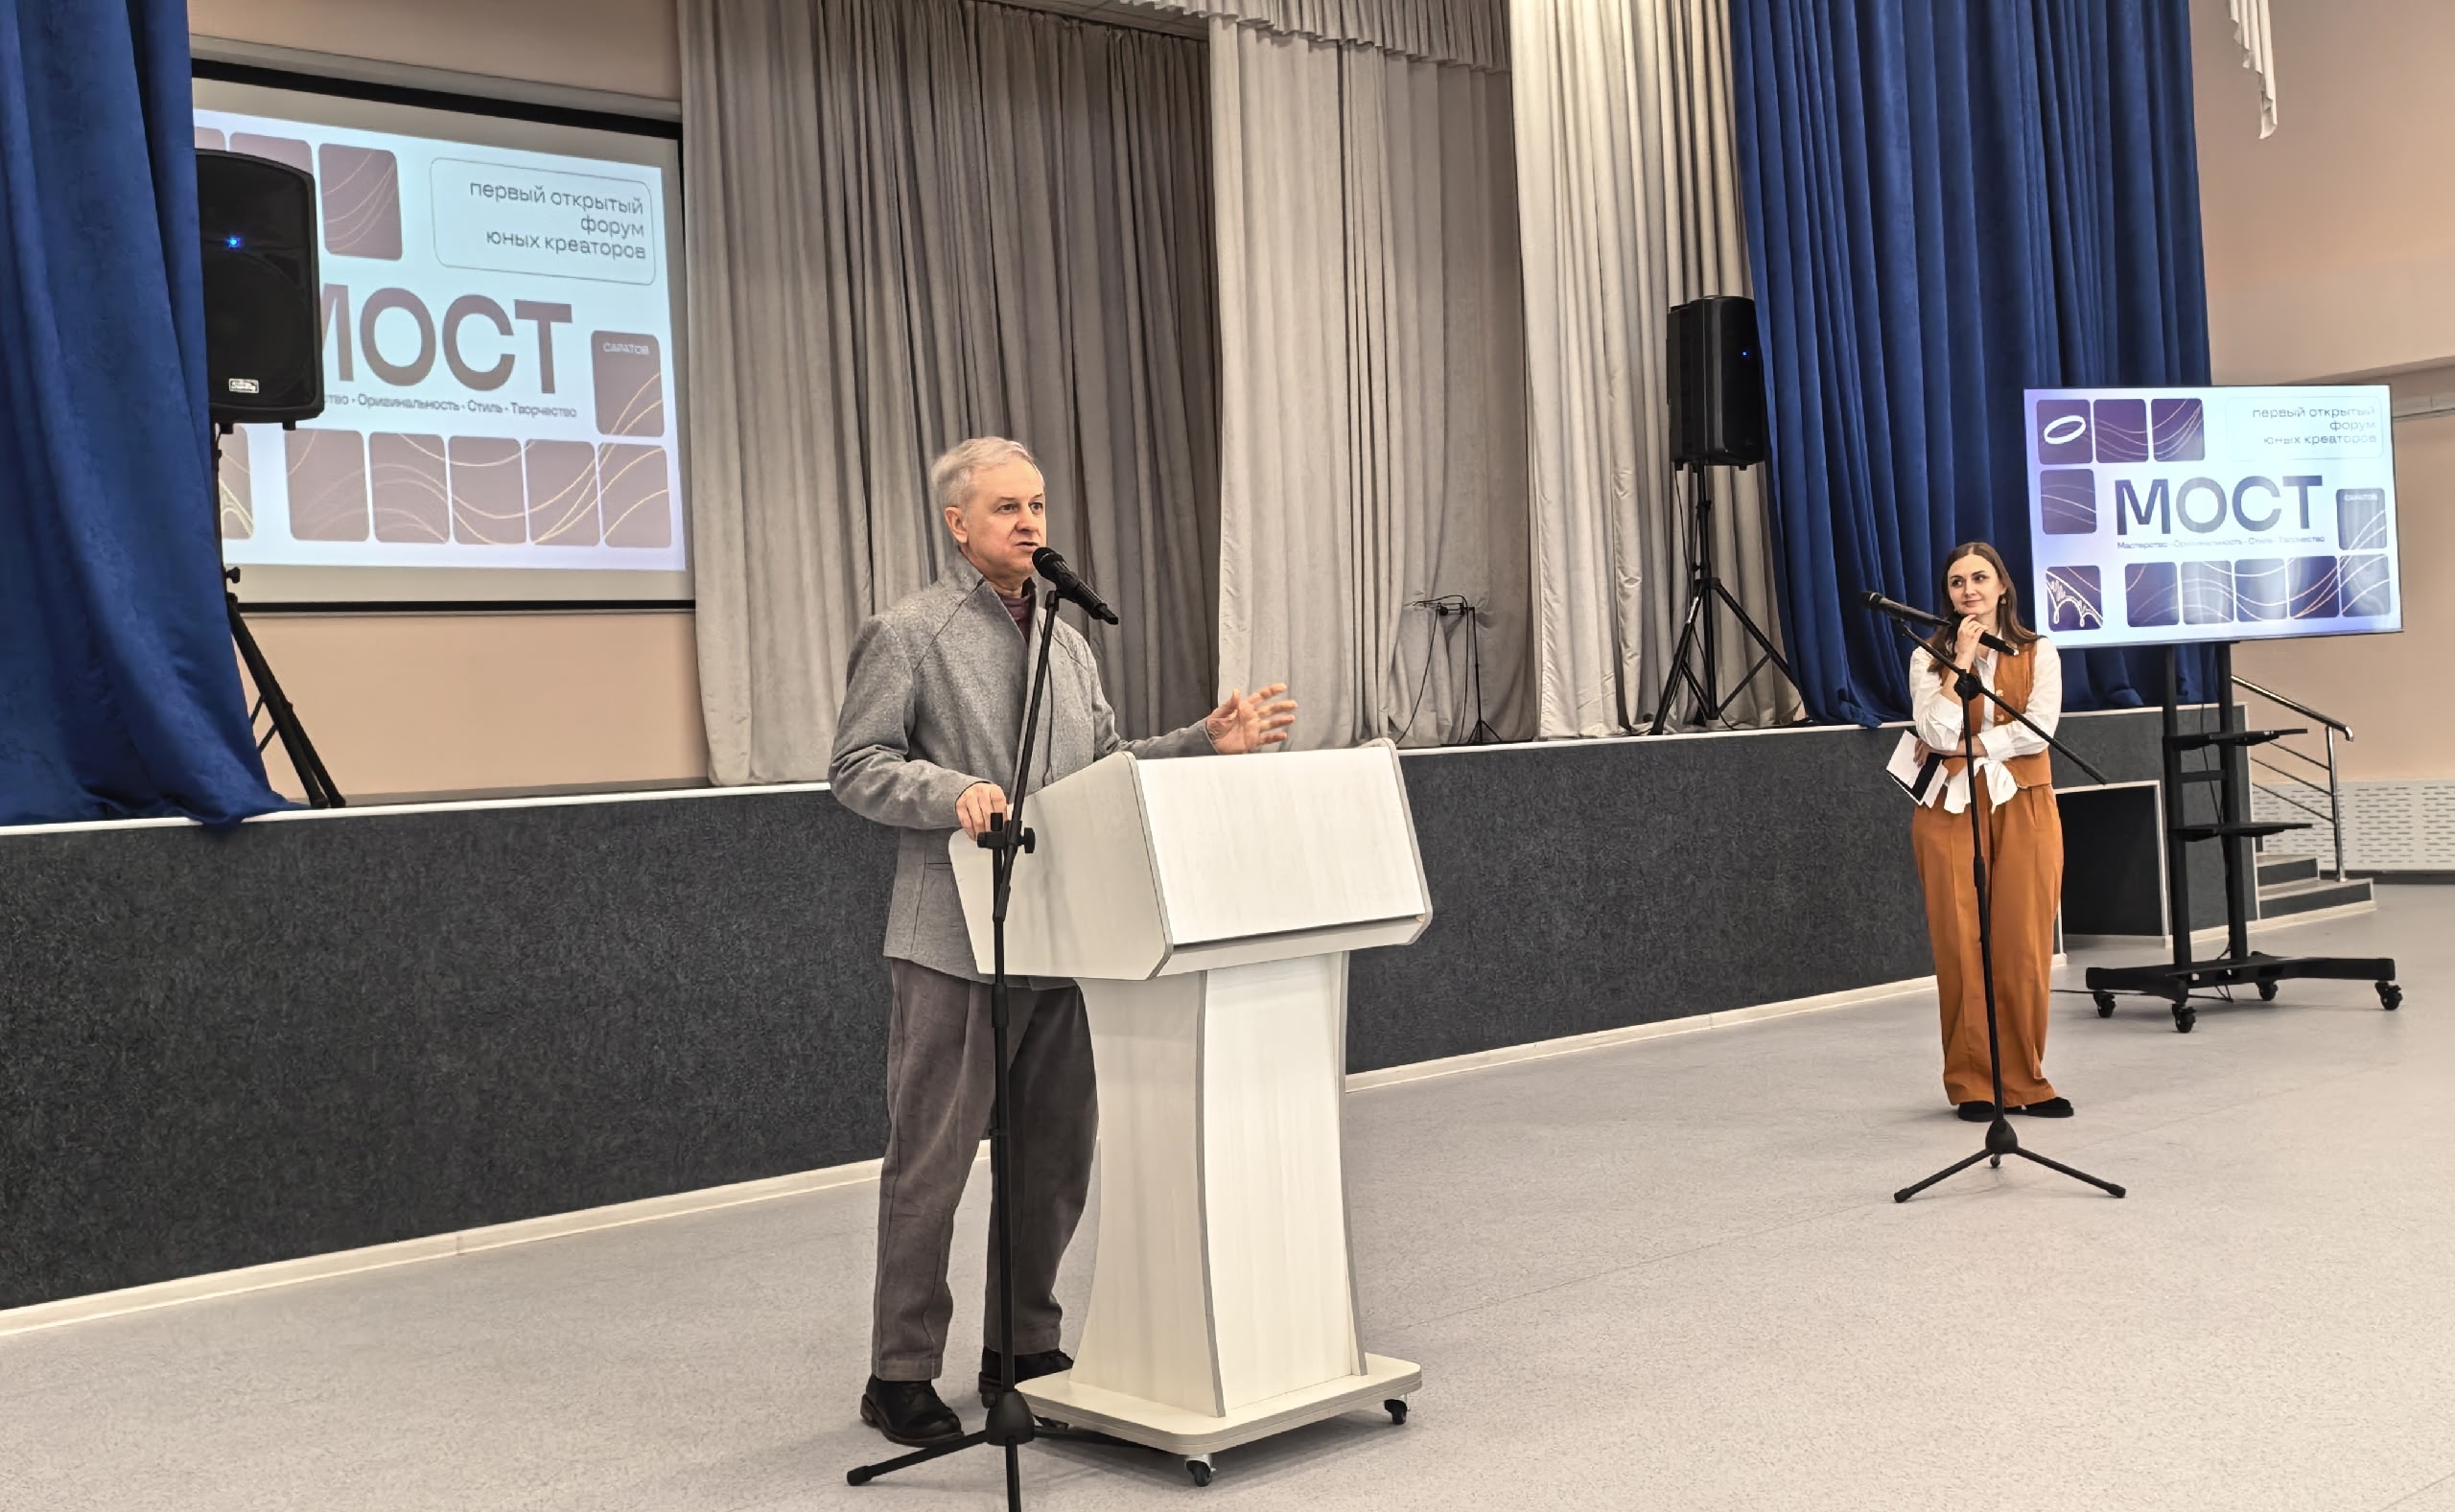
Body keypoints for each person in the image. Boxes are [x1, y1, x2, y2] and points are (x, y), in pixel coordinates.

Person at [828, 436, 1298, 1448]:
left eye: (1037, 504)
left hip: (1061, 935)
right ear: (958, 523)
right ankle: (899, 1372)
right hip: (953, 938)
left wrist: (1202, 742)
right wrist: (952, 790)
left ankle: (1021, 1344)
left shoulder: (1066, 640)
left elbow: (1104, 770)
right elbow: (856, 764)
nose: (1030, 522)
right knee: (931, 1164)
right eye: (1006, 507)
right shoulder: (907, 631)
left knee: (1052, 1157)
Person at [1906, 541, 2074, 1123]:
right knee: (1960, 943)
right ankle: (1973, 1082)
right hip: (1949, 807)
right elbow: (1933, 730)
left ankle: (2025, 1080)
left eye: (1980, 578)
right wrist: (1959, 661)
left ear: (2002, 585)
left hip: (2025, 801)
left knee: (2023, 944)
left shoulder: (2038, 651)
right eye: (1957, 582)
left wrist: (1973, 746)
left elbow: (2039, 730)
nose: (1969, 590)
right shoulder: (1928, 657)